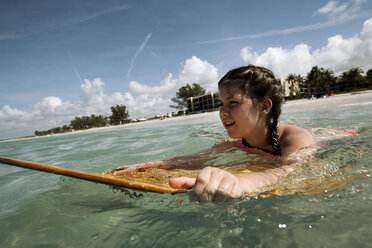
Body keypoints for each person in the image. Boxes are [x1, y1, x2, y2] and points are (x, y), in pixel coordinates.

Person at [112, 65, 316, 202]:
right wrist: (147, 166)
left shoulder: (295, 138)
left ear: (264, 106)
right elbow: (195, 159)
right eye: (220, 104)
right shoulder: (233, 142)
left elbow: (291, 172)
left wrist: (237, 182)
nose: (223, 112)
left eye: (233, 102)